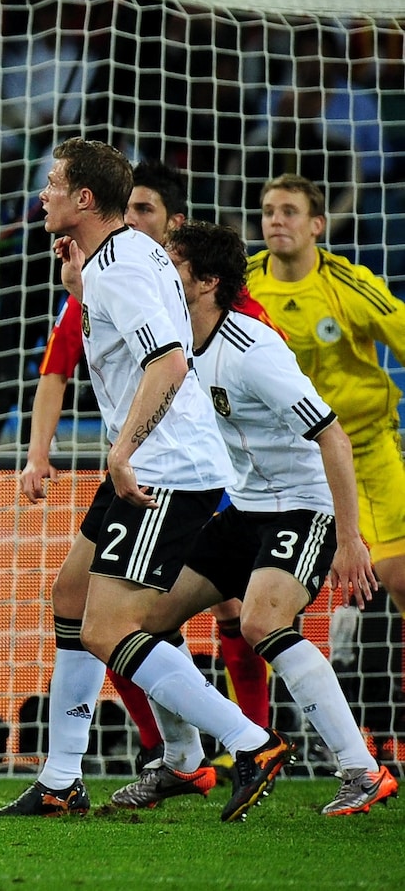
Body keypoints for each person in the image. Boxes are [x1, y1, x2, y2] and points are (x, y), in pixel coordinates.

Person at [0, 139, 284, 822]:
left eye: (53, 184)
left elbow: (169, 364)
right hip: (160, 459)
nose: (44, 195)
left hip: (163, 468)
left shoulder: (120, 268)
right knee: (71, 593)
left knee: (108, 626)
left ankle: (252, 742)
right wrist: (78, 289)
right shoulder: (125, 255)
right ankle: (63, 778)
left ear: (84, 199)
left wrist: (121, 453)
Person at [113, 220, 391, 817]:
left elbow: (334, 439)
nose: (161, 268)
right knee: (140, 621)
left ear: (208, 281)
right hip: (245, 509)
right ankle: (183, 762)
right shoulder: (178, 342)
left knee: (264, 623)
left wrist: (348, 538)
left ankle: (363, 771)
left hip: (303, 507)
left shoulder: (253, 350)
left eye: (173, 262)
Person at [247, 172, 405, 754]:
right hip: (286, 461)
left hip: (363, 446)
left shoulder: (347, 283)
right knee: (250, 603)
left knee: (398, 577)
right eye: (267, 211)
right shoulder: (245, 287)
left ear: (317, 224)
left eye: (288, 211)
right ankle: (262, 736)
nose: (275, 220)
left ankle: (383, 732)